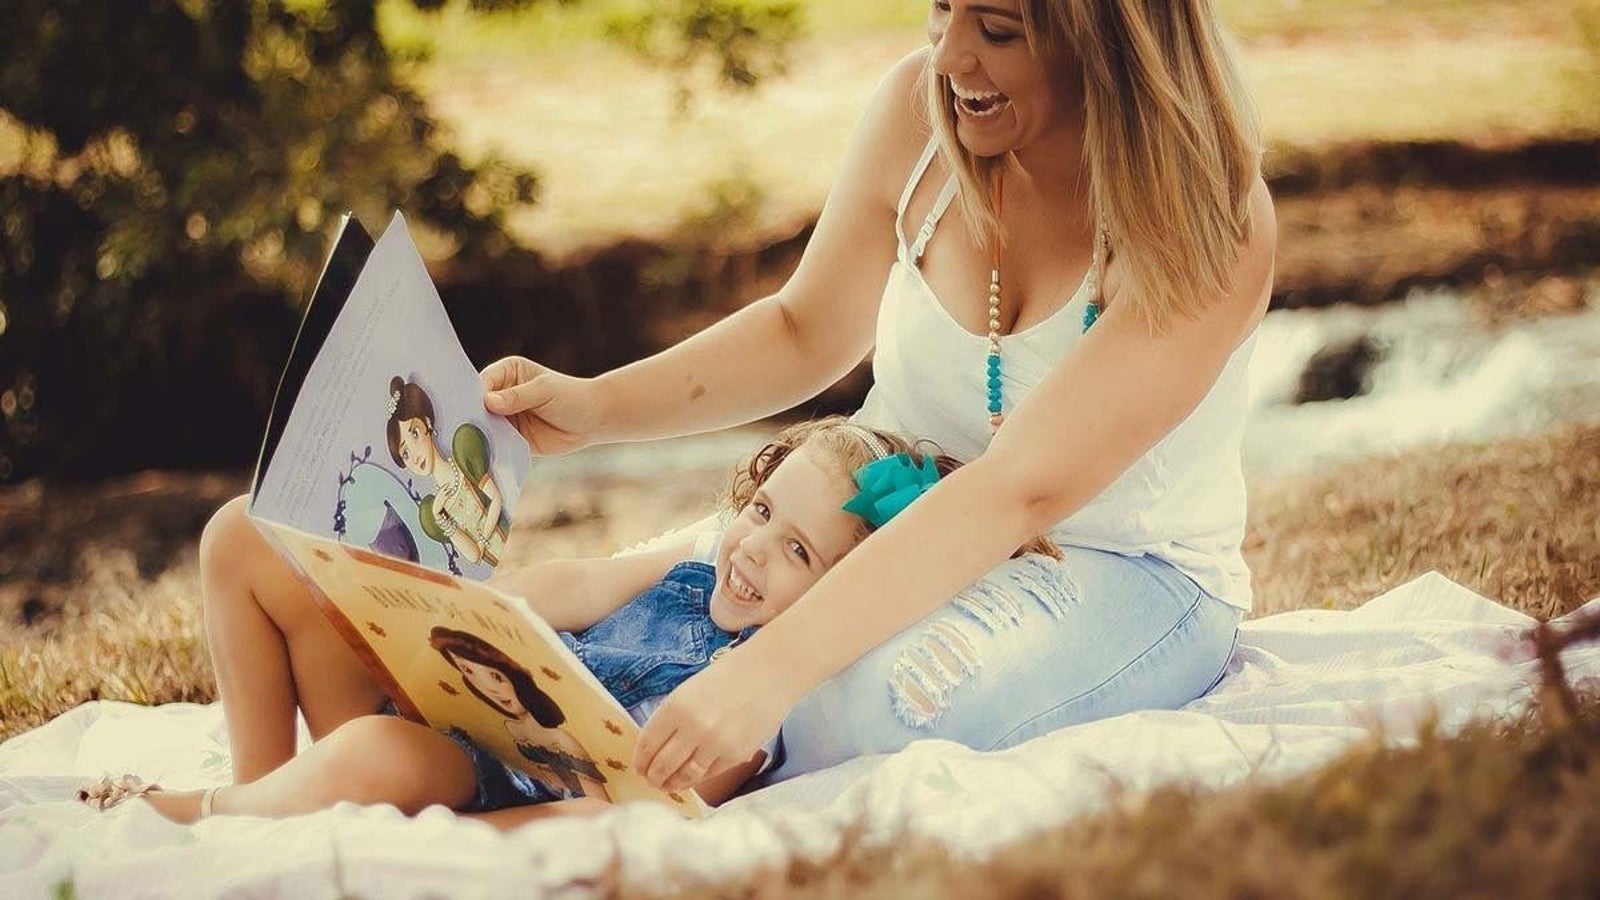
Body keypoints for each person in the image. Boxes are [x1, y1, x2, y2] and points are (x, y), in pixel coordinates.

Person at [480, 0, 1275, 793]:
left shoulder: (1212, 223)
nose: (949, 57)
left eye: (997, 30)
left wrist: (769, 669)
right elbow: (803, 331)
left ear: (1106, 37)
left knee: (856, 711)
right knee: (589, 606)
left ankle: (577, 813)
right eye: (942, 8)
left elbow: (1016, 490)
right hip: (866, 514)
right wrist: (597, 409)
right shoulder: (918, 112)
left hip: (1118, 562)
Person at [80, 419, 1056, 826]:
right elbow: (568, 584)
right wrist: (442, 608)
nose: (753, 549)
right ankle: (259, 790)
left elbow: (634, 809)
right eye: (761, 513)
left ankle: (200, 817)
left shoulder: (756, 704)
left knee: (376, 752)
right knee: (244, 534)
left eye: (797, 551)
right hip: (434, 692)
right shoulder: (690, 570)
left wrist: (489, 836)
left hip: (471, 780)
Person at [387, 375, 509, 566]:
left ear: (427, 423)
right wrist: (439, 516)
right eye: (406, 453)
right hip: (504, 571)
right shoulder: (433, 510)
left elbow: (496, 499)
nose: (415, 456)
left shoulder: (463, 453)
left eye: (415, 434)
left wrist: (482, 541)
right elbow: (474, 556)